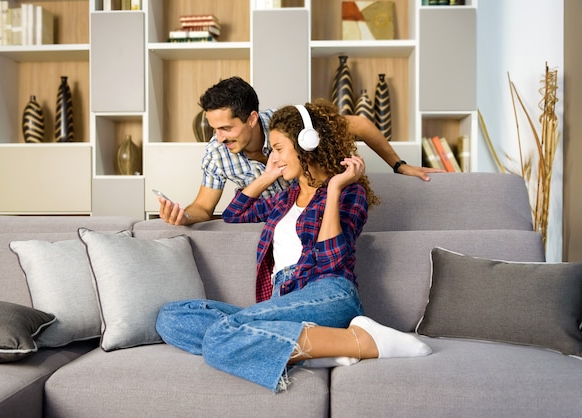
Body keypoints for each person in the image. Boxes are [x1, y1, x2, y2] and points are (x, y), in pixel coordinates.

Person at [155, 100, 431, 392]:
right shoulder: (285, 198)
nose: (272, 156)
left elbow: (330, 262)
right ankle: (316, 350)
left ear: (306, 145)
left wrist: (335, 189)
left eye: (278, 148)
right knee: (171, 318)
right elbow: (235, 214)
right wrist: (269, 175)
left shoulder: (350, 192)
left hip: (329, 293)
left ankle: (360, 340)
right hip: (282, 299)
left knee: (221, 335)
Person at [158, 76, 443, 225]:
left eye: (226, 129)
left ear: (253, 119)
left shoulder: (291, 126)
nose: (218, 138)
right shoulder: (216, 154)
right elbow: (204, 208)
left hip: (314, 211)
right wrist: (184, 217)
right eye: (213, 128)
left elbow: (362, 126)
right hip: (274, 215)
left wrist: (399, 165)